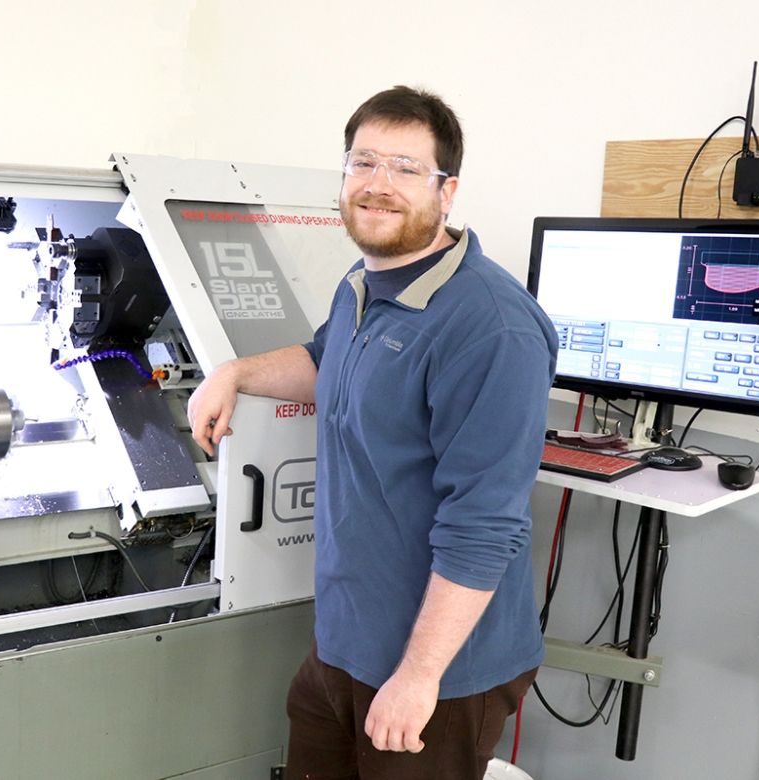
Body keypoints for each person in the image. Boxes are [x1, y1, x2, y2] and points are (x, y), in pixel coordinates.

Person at [187, 85, 558, 780]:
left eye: (405, 168)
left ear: (447, 192)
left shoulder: (492, 327)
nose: (378, 186)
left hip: (440, 675)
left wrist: (418, 677)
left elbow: (483, 527)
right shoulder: (365, 281)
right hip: (343, 646)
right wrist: (232, 372)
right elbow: (327, 362)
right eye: (363, 164)